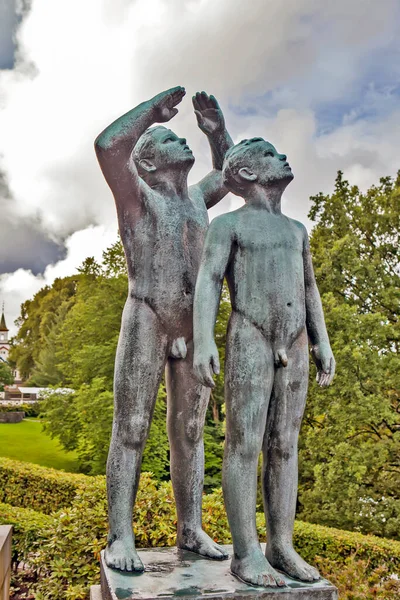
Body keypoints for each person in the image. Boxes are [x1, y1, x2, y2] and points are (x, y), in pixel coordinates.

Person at [95, 87, 233, 572]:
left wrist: (218, 134)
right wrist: (153, 111)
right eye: (173, 140)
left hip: (193, 326)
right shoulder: (137, 198)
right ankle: (120, 535)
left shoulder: (197, 198)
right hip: (148, 317)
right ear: (149, 164)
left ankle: (191, 527)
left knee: (191, 432)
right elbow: (109, 146)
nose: (183, 144)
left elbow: (230, 174)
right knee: (131, 428)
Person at [193, 137, 335, 588]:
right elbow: (210, 280)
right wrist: (202, 340)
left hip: (293, 343)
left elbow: (309, 288)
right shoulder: (228, 225)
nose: (285, 157)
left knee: (285, 445)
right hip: (250, 334)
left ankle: (281, 544)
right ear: (250, 174)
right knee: (244, 445)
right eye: (272, 154)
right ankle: (246, 552)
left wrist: (321, 341)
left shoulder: (296, 230)